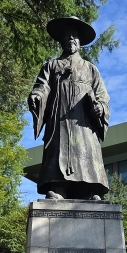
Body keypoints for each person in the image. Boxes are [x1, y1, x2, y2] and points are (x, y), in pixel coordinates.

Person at [27, 16, 110, 200]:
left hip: (84, 120)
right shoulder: (51, 66)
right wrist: (37, 96)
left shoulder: (90, 68)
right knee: (58, 148)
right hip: (59, 117)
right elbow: (42, 86)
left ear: (80, 41)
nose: (71, 39)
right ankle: (58, 187)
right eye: (67, 36)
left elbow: (102, 96)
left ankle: (88, 189)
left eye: (74, 36)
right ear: (61, 41)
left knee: (86, 149)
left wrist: (100, 108)